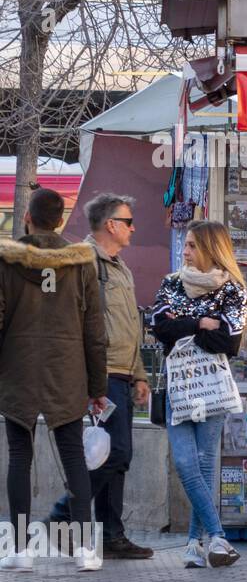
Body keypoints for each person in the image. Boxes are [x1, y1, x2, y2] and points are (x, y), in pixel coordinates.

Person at [0, 187, 107, 572]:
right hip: (67, 370)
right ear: (61, 220)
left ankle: (20, 550)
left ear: (27, 217)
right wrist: (98, 386)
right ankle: (84, 549)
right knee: (74, 457)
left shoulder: (7, 262)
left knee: (19, 456)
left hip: (19, 369)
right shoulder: (81, 263)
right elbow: (95, 330)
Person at [46, 194, 154, 559]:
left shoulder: (120, 267)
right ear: (111, 224)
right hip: (99, 374)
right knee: (115, 453)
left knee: (115, 456)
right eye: (128, 221)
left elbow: (128, 326)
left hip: (122, 375)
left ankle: (111, 535)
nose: (133, 227)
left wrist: (139, 374)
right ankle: (61, 517)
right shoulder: (82, 261)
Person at [151, 221, 247, 569]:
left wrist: (186, 324)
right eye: (186, 245)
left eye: (192, 246)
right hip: (178, 387)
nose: (186, 252)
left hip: (212, 388)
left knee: (205, 465)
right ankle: (218, 537)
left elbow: (228, 342)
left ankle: (194, 544)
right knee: (186, 463)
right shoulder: (171, 283)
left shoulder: (232, 289)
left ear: (211, 249)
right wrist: (201, 323)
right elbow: (160, 328)